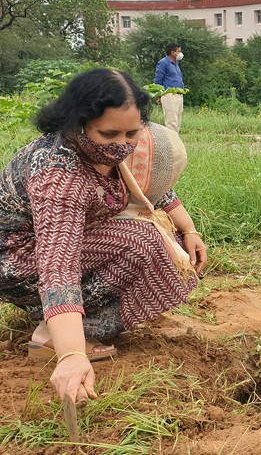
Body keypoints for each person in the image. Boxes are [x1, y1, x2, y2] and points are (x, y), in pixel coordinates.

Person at [0, 68, 207, 405]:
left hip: (70, 244)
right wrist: (71, 356)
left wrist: (189, 229)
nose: (122, 146)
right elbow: (58, 264)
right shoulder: (57, 173)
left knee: (171, 243)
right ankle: (62, 336)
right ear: (77, 124)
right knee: (143, 238)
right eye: (109, 135)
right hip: (17, 258)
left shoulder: (119, 147)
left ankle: (67, 326)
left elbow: (149, 187)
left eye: (130, 134)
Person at [153, 43, 185, 133]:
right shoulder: (164, 63)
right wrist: (159, 96)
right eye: (179, 51)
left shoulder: (176, 64)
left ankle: (176, 142)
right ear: (173, 52)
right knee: (171, 122)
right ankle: (172, 144)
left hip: (179, 94)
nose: (180, 53)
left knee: (178, 121)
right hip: (169, 94)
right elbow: (158, 80)